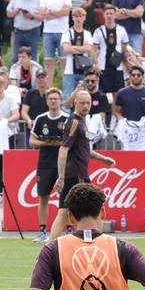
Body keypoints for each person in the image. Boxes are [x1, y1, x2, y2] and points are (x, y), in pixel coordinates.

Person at [52, 89, 117, 233]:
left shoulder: (81, 121)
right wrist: (61, 177)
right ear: (75, 103)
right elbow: (63, 149)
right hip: (77, 174)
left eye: (88, 103)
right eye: (82, 103)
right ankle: (96, 240)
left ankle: (49, 249)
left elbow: (83, 148)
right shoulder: (75, 122)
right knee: (95, 208)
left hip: (75, 173)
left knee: (63, 212)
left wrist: (102, 159)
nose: (86, 106)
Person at [29, 88, 68, 241]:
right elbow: (32, 141)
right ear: (47, 101)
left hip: (63, 164)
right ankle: (43, 231)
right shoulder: (40, 119)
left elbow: (71, 141)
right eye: (50, 98)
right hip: (44, 163)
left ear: (60, 100)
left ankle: (68, 230)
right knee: (43, 197)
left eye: (56, 98)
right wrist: (46, 142)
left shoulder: (67, 118)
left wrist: (60, 143)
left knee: (66, 198)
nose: (53, 101)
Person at [114, 66, 145, 151]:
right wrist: (121, 119)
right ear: (130, 76)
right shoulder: (122, 93)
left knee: (143, 159)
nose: (136, 77)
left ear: (143, 77)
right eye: (133, 75)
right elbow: (116, 111)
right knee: (126, 159)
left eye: (138, 75)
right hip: (126, 132)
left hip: (143, 133)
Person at [61, 8, 96, 98]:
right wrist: (82, 48)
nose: (78, 19)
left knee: (83, 95)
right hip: (70, 71)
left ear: (84, 18)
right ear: (72, 18)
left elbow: (89, 48)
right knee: (68, 96)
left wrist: (73, 47)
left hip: (84, 70)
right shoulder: (67, 33)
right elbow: (66, 49)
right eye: (76, 16)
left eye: (81, 16)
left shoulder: (87, 34)